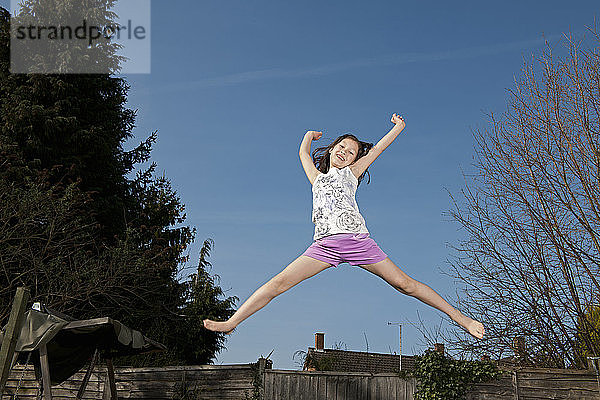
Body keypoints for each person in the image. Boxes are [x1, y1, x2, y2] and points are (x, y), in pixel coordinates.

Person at [203, 113, 485, 339]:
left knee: (405, 284)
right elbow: (303, 153)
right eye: (341, 147)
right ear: (333, 149)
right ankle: (231, 322)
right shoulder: (316, 177)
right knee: (278, 283)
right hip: (324, 246)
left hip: (358, 242)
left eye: (351, 152)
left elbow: (380, 148)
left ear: (355, 159)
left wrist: (398, 127)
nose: (345, 153)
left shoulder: (352, 173)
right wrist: (307, 137)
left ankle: (460, 318)